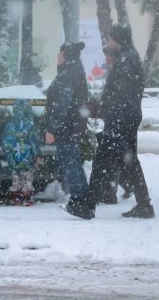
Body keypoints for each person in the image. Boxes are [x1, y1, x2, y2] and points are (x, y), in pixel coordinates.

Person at [88, 24, 154, 218]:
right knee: (127, 161)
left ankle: (86, 204)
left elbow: (120, 95)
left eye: (110, 40)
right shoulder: (127, 58)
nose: (107, 43)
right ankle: (144, 204)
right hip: (124, 118)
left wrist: (103, 110)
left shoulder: (127, 60)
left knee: (103, 162)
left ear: (118, 40)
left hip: (120, 119)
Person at [43, 42, 93, 219]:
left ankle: (80, 201)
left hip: (67, 127)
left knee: (70, 163)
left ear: (64, 54)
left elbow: (60, 105)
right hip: (73, 126)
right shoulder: (74, 71)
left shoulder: (67, 74)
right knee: (74, 162)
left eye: (59, 52)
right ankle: (84, 201)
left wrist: (52, 128)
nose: (57, 55)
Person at [2, 97, 39, 207]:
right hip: (27, 154)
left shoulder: (10, 124)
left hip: (13, 154)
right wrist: (37, 152)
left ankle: (16, 197)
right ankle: (27, 196)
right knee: (27, 175)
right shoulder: (30, 124)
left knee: (15, 175)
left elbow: (6, 140)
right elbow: (34, 140)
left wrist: (7, 150)